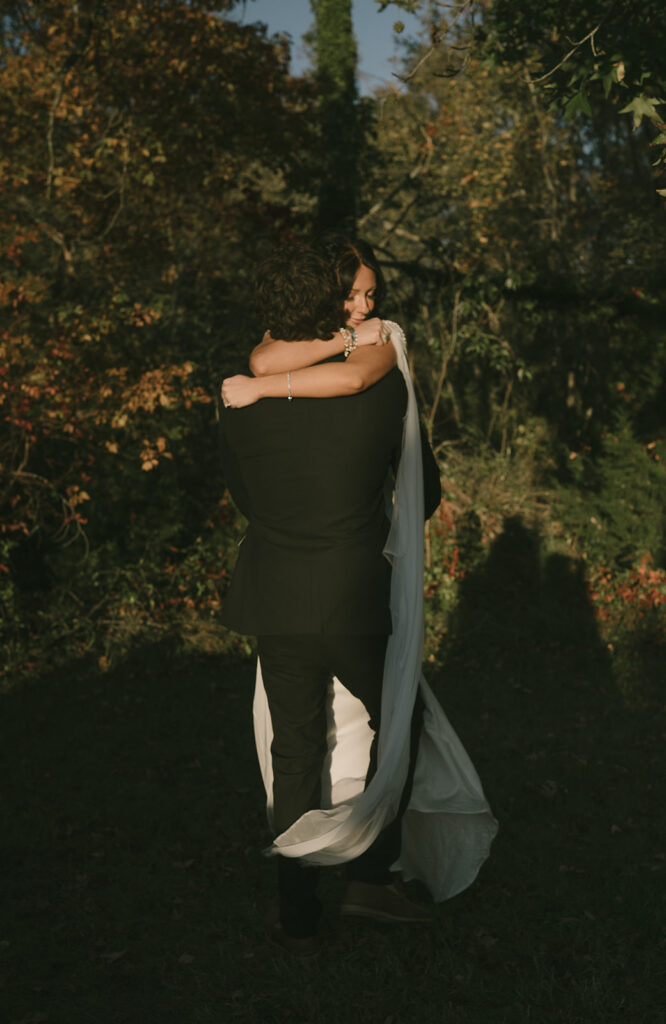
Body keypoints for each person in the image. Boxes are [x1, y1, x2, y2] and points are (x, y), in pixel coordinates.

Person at [219, 239, 497, 955]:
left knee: (295, 746)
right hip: (352, 593)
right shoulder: (382, 384)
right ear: (326, 299)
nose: (368, 307)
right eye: (355, 295)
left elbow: (247, 498)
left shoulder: (239, 397)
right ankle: (372, 881)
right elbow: (424, 494)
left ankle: (294, 910)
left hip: (275, 592)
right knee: (394, 727)